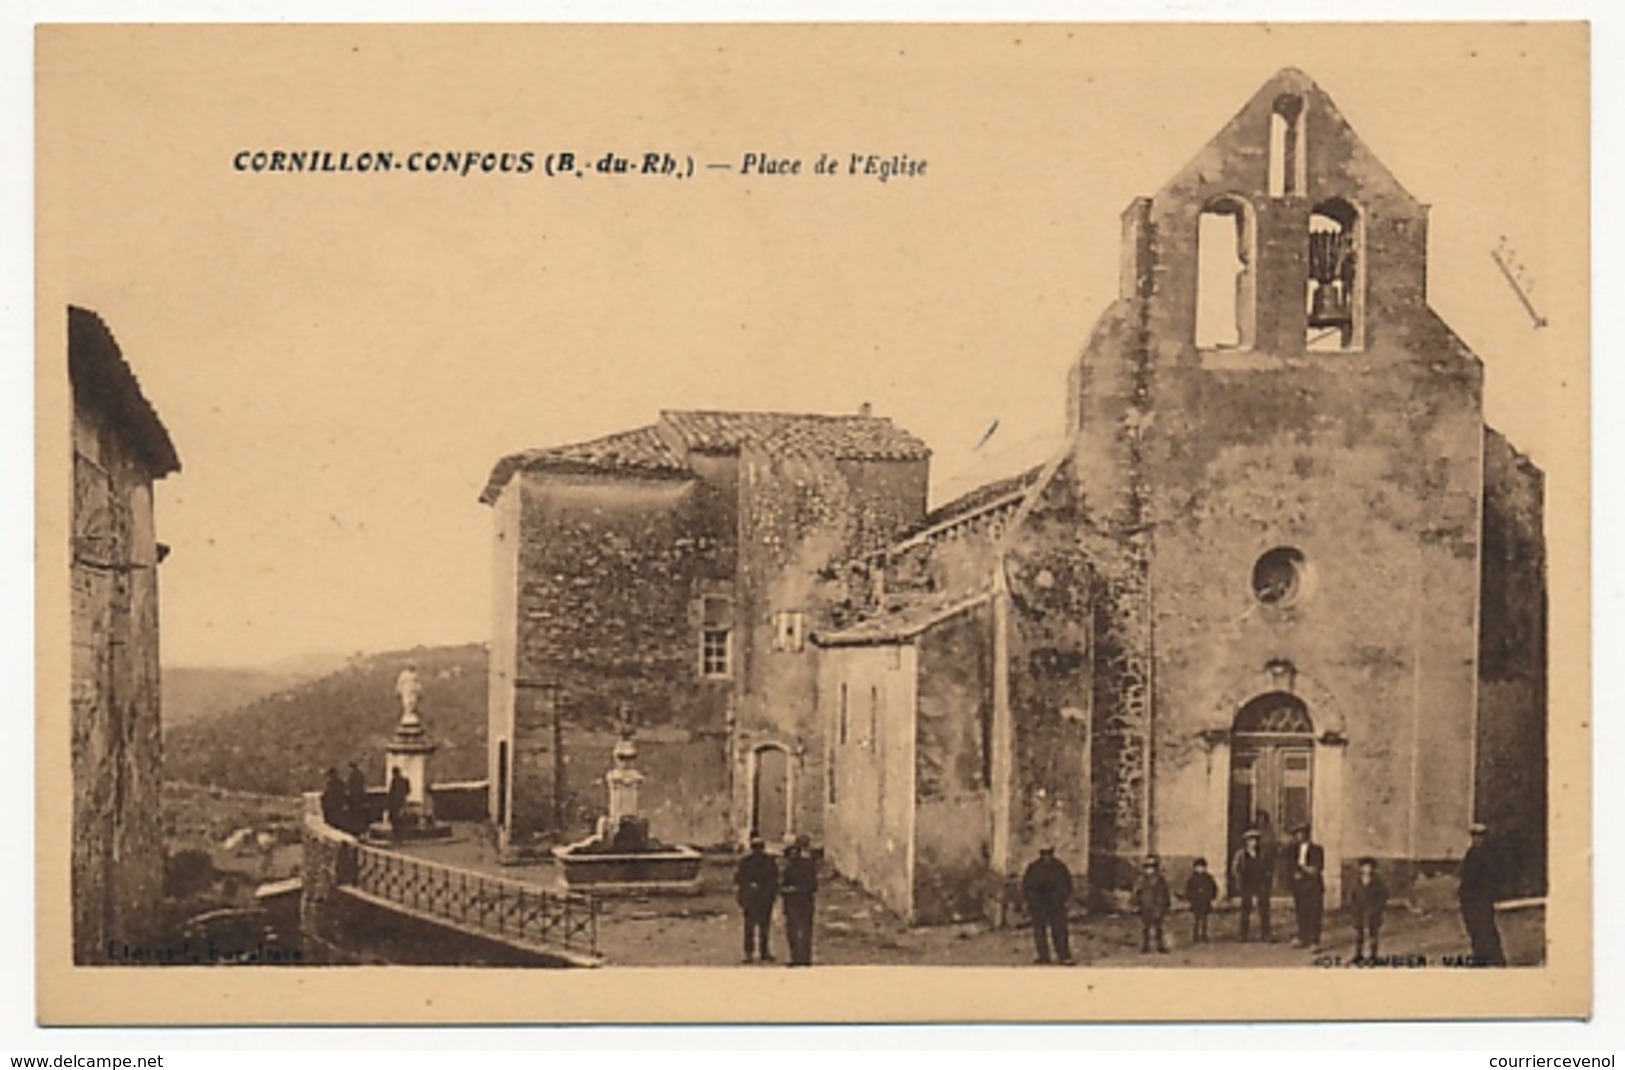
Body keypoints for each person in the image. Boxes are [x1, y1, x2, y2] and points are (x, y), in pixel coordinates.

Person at [1458, 822, 1507, 966]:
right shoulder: (1471, 852)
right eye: (1474, 836)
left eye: (1479, 836)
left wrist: (1488, 895)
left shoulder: (1488, 854)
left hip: (1481, 899)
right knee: (1474, 930)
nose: (1476, 839)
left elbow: (1491, 878)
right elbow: (1465, 875)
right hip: (1469, 900)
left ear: (1485, 837)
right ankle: (1480, 958)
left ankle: (1497, 960)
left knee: (1485, 930)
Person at [1021, 846, 1076, 965]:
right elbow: (1027, 886)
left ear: (1053, 853)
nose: (1047, 857)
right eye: (1044, 854)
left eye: (1049, 854)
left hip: (1056, 904)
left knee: (1059, 930)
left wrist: (1060, 899)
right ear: (1040, 854)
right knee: (1039, 931)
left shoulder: (1059, 867)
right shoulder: (1034, 867)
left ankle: (1064, 956)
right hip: (1039, 904)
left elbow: (1067, 885)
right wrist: (1031, 901)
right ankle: (1043, 956)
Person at [733, 836, 780, 963]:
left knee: (760, 927)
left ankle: (759, 952)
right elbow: (739, 879)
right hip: (755, 899)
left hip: (759, 898)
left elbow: (774, 880)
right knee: (754, 927)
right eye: (756, 848)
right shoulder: (752, 862)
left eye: (759, 848)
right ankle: (753, 953)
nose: (757, 851)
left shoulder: (763, 861)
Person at [780, 833, 819, 966]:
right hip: (799, 901)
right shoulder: (803, 866)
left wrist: (792, 889)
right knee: (798, 930)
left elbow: (812, 885)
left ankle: (802, 958)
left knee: (800, 930)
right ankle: (799, 958)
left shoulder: (804, 866)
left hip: (799, 901)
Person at [1231, 828, 1273, 942]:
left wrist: (1268, 879)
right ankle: (1242, 934)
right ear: (1246, 842)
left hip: (1261, 883)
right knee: (1245, 909)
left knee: (1264, 909)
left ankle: (1266, 934)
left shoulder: (1263, 853)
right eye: (1250, 840)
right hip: (1247, 883)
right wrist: (1239, 881)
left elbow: (1269, 867)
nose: (1253, 843)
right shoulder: (1241, 854)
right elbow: (1235, 869)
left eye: (1255, 840)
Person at [1289, 824, 1326, 949]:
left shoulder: (1317, 850)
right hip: (1299, 886)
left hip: (1313, 886)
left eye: (1301, 833)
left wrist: (1303, 868)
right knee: (1301, 912)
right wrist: (1294, 874)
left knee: (1314, 913)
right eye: (1297, 834)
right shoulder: (1293, 850)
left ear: (1307, 834)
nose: (1299, 836)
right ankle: (1302, 937)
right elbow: (1289, 867)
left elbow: (1316, 869)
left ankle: (1314, 941)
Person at [1350, 857, 1388, 961]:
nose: (1367, 869)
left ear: (1373, 868)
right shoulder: (1357, 881)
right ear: (1361, 868)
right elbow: (1353, 896)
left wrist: (1378, 909)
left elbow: (1383, 896)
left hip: (1373, 911)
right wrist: (1354, 909)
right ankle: (1358, 954)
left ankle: (1373, 955)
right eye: (1364, 867)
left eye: (1369, 867)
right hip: (1359, 911)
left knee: (1373, 934)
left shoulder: (1378, 882)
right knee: (1359, 934)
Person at [1134, 855, 1172, 954]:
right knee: (1146, 928)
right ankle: (1146, 946)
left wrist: (1166, 905)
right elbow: (1138, 893)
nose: (1149, 870)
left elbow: (1165, 894)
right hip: (1145, 907)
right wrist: (1136, 904)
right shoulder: (1142, 881)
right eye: (1147, 868)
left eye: (1152, 868)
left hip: (1158, 907)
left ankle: (1160, 945)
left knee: (1158, 927)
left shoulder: (1160, 881)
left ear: (1156, 869)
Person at [1183, 857, 1219, 944]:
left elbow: (1213, 888)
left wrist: (1212, 897)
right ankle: (1195, 936)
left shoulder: (1208, 878)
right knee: (1196, 920)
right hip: (1196, 902)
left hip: (1205, 901)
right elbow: (1188, 890)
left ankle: (1204, 935)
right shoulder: (1192, 879)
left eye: (1202, 867)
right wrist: (1191, 898)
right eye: (1198, 867)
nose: (1200, 869)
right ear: (1195, 868)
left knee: (1204, 920)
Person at [344, 761, 368, 834]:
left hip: (354, 797)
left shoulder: (352, 775)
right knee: (359, 814)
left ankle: (355, 830)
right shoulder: (360, 774)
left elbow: (348, 785)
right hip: (359, 797)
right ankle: (360, 829)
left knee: (354, 814)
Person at [386, 767, 411, 834]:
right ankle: (401, 831)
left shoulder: (394, 780)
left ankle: (396, 832)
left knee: (395, 818)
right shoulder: (405, 780)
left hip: (394, 802)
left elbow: (391, 792)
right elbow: (408, 791)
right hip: (402, 801)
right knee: (401, 817)